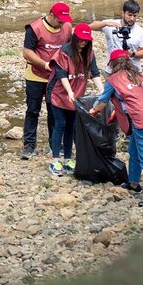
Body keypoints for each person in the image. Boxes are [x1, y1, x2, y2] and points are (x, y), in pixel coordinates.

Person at [90, 50, 143, 207]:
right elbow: (132, 98)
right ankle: (134, 183)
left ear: (112, 64)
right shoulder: (138, 76)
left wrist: (92, 111)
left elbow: (102, 102)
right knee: (134, 150)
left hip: (140, 118)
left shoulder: (114, 80)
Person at [46, 23, 104, 175]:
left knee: (71, 126)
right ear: (75, 38)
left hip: (76, 95)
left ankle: (68, 158)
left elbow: (95, 73)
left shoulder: (89, 53)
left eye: (86, 40)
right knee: (60, 124)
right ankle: (55, 160)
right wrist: (70, 92)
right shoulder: (64, 52)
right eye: (80, 40)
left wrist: (103, 92)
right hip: (59, 93)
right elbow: (62, 75)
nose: (83, 43)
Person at [20, 2, 73, 160]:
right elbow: (27, 52)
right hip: (35, 75)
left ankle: (55, 144)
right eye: (59, 20)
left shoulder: (67, 27)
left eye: (64, 20)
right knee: (32, 111)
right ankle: (29, 145)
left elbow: (71, 48)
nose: (62, 23)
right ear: (51, 15)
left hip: (56, 77)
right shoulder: (34, 28)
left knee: (55, 112)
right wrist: (44, 64)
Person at [89, 0, 143, 76]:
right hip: (112, 70)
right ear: (123, 13)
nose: (132, 18)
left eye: (135, 16)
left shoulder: (141, 31)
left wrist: (132, 54)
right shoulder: (111, 25)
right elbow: (90, 27)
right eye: (129, 15)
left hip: (133, 70)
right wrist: (105, 23)